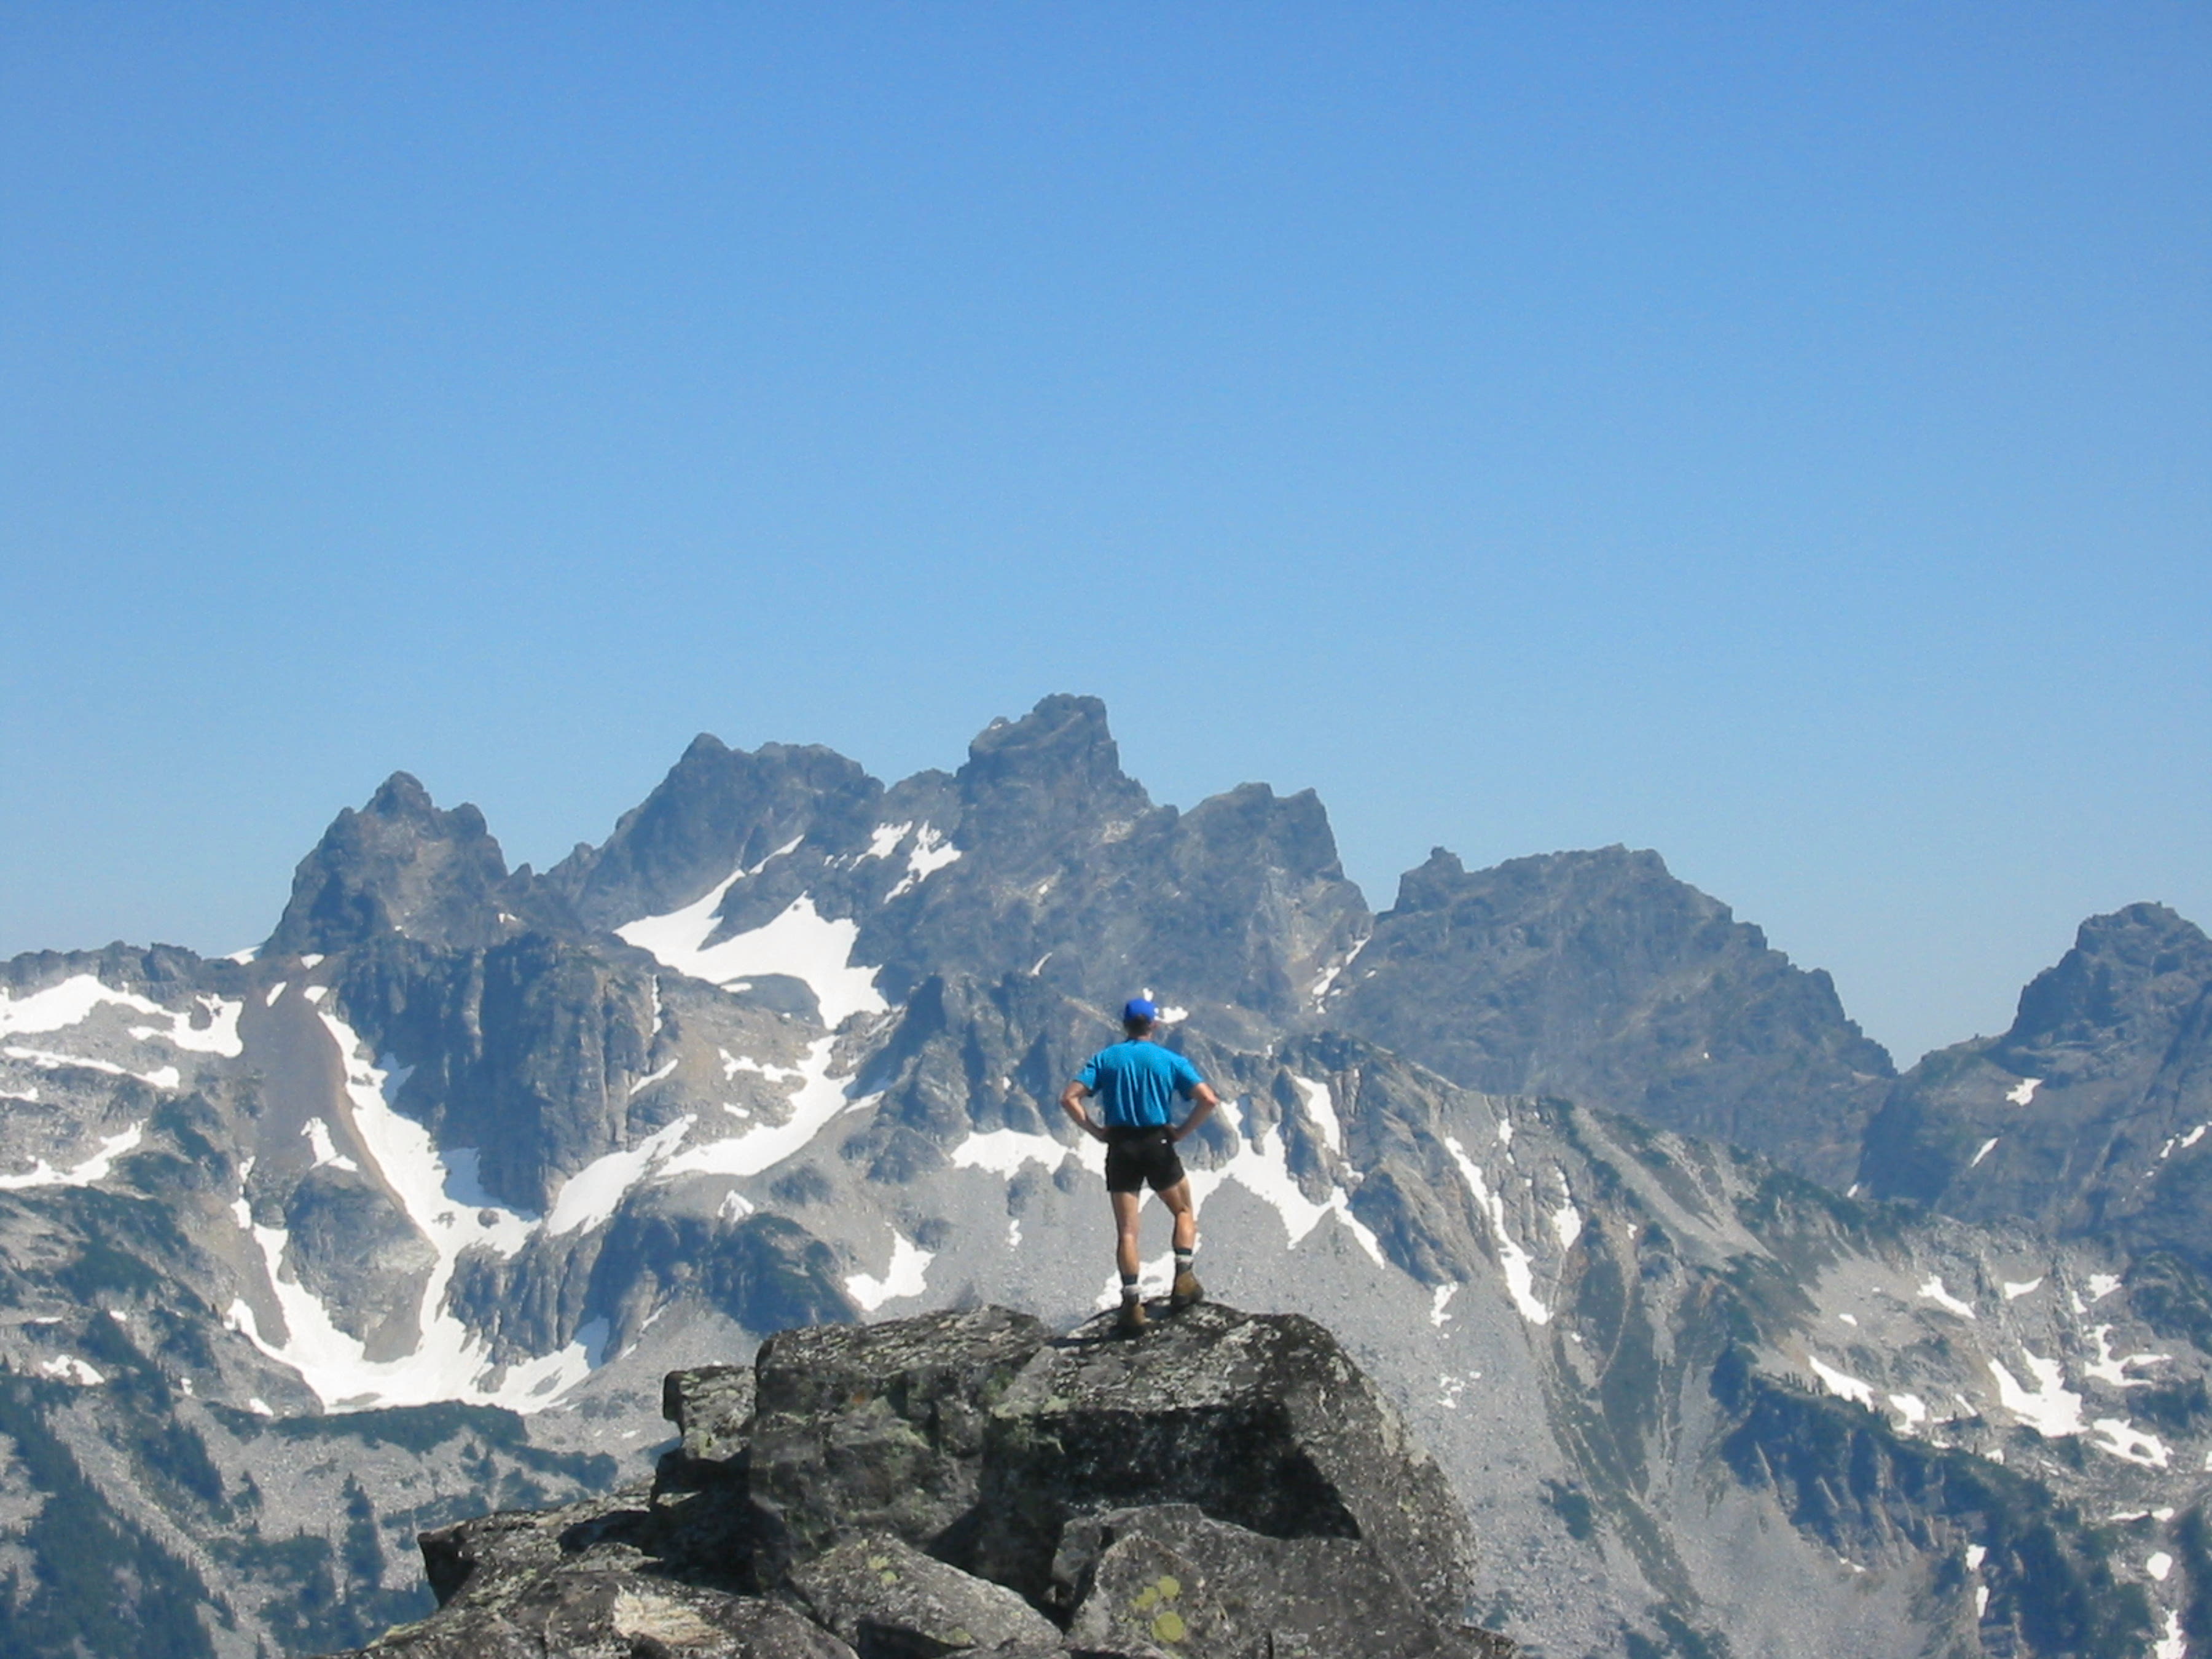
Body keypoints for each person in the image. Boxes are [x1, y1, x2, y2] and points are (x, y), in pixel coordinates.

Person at [1059, 996, 1220, 1336]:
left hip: (1120, 1145)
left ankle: (1132, 1306)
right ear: (1155, 1025)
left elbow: (1069, 1098)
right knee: (1182, 1210)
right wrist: (1180, 1132)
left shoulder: (1106, 1059)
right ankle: (1184, 1280)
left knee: (1128, 1231)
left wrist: (1096, 1131)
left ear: (1124, 1024)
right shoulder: (1170, 1060)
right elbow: (1208, 1099)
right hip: (1157, 1141)